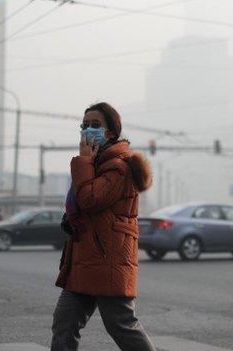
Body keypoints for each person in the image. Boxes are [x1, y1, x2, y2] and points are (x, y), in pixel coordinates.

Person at [51, 102, 155, 351]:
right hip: (85, 260)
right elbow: (82, 204)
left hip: (108, 260)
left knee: (121, 324)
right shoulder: (95, 164)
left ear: (111, 132)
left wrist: (83, 161)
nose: (88, 130)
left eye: (95, 125)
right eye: (84, 125)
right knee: (64, 323)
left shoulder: (119, 168)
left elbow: (90, 199)